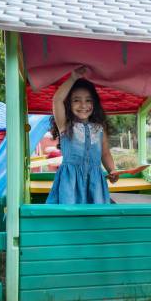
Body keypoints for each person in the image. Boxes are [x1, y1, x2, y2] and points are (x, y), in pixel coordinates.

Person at [47, 66, 119, 204]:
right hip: (70, 183)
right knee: (69, 215)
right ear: (68, 103)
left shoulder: (99, 128)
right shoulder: (65, 125)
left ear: (94, 103)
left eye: (88, 100)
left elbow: (105, 154)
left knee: (94, 217)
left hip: (95, 182)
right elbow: (57, 100)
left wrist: (112, 169)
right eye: (76, 100)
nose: (83, 105)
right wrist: (73, 77)